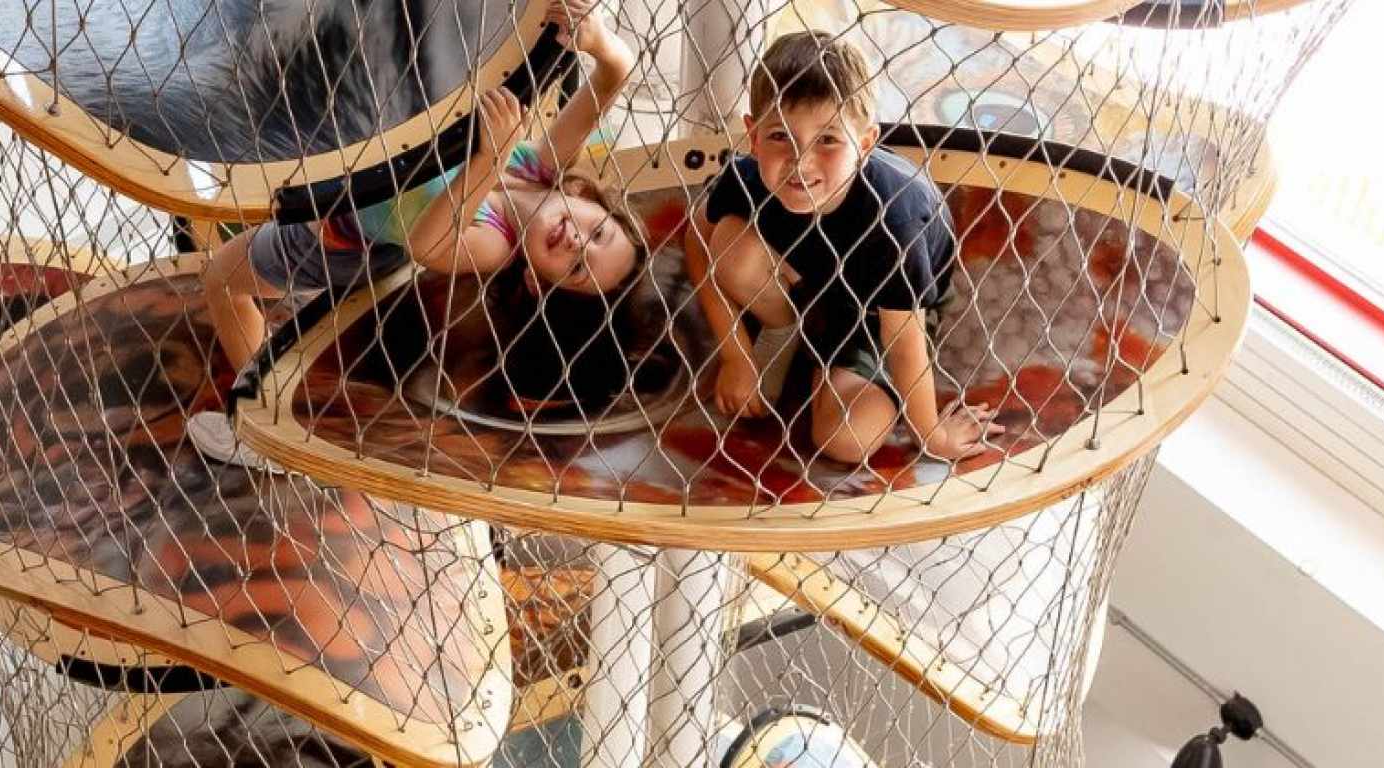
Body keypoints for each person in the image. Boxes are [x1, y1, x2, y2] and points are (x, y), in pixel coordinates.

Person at [188, 0, 647, 466]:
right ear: (589, 200)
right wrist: (600, 43)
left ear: (535, 280)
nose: (577, 244)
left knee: (224, 278)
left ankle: (259, 429)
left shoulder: (497, 243)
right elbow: (616, 74)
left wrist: (491, 157)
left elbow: (429, 244)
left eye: (575, 269)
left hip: (340, 234)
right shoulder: (540, 168)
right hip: (362, 146)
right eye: (599, 235)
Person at [691, 30, 1002, 465]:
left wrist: (931, 433)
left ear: (866, 142)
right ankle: (785, 329)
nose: (800, 162)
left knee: (846, 440)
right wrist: (736, 355)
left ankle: (830, 371)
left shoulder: (897, 217)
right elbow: (697, 238)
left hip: (878, 316)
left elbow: (903, 336)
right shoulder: (746, 176)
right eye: (780, 135)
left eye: (828, 140)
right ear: (752, 134)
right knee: (728, 243)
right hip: (805, 281)